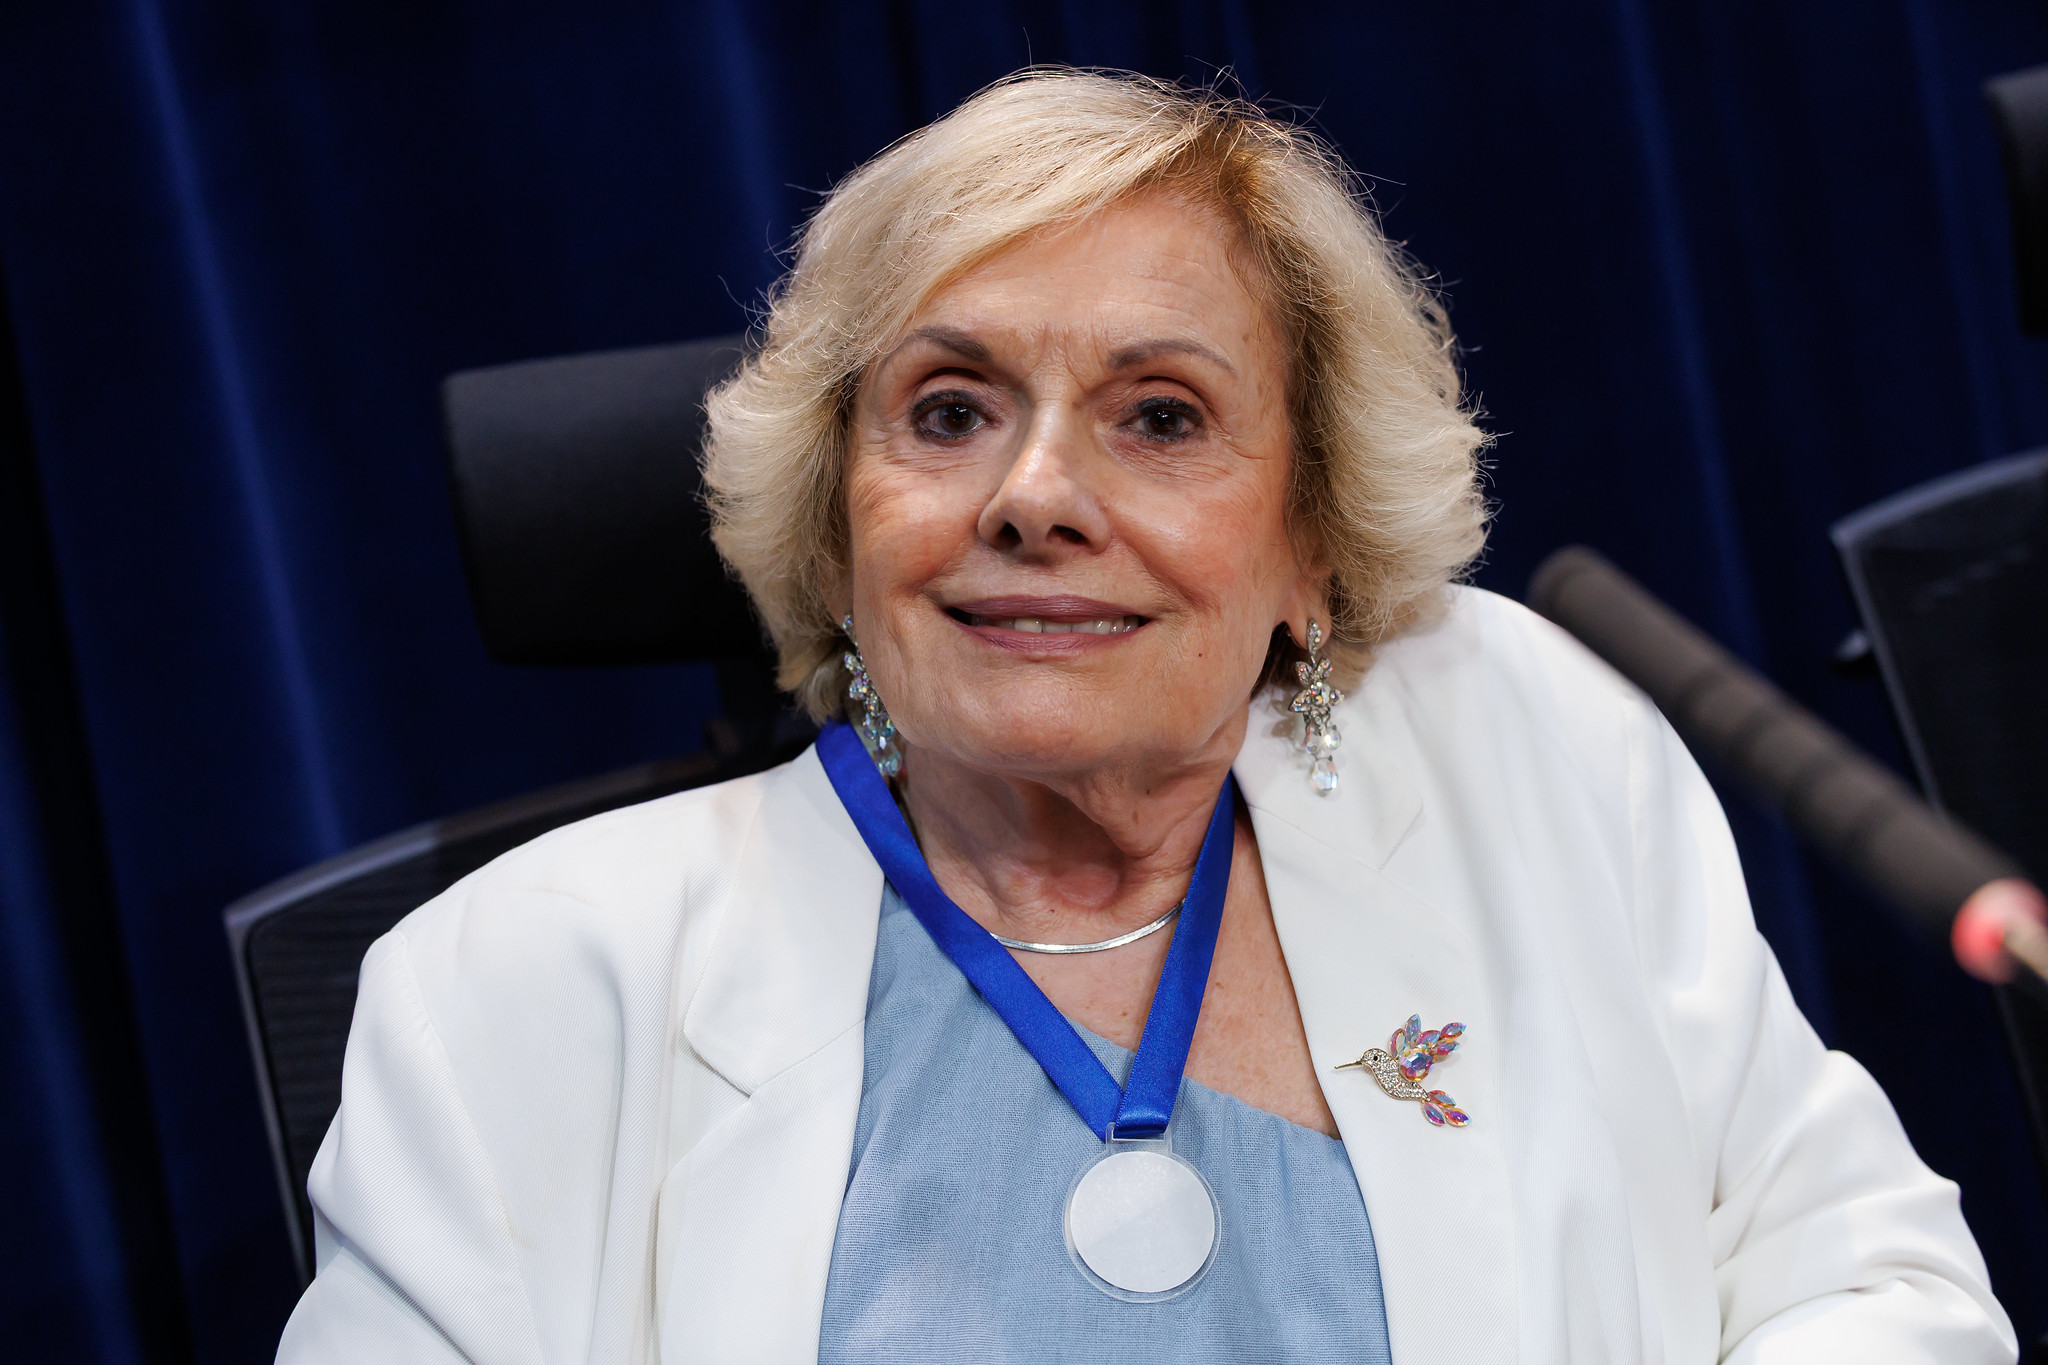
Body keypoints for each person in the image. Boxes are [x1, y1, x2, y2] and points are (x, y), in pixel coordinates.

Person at [275, 69, 2015, 1364]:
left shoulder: (1519, 740)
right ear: (834, 515)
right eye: (948, 410)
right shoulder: (514, 986)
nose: (1034, 495)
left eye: (1161, 417)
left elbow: (1873, 1281)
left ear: (1313, 539)